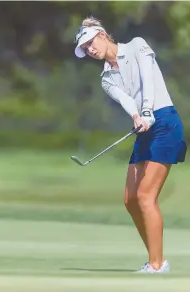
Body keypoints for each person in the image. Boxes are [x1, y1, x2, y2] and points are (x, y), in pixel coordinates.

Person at [74, 16, 187, 273]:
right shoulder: (106, 78)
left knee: (146, 196)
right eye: (85, 48)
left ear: (102, 35)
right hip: (145, 127)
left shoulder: (137, 45)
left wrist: (147, 110)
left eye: (90, 42)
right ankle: (155, 258)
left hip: (165, 122)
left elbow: (148, 78)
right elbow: (126, 100)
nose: (90, 49)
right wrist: (137, 116)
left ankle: (157, 265)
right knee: (130, 200)